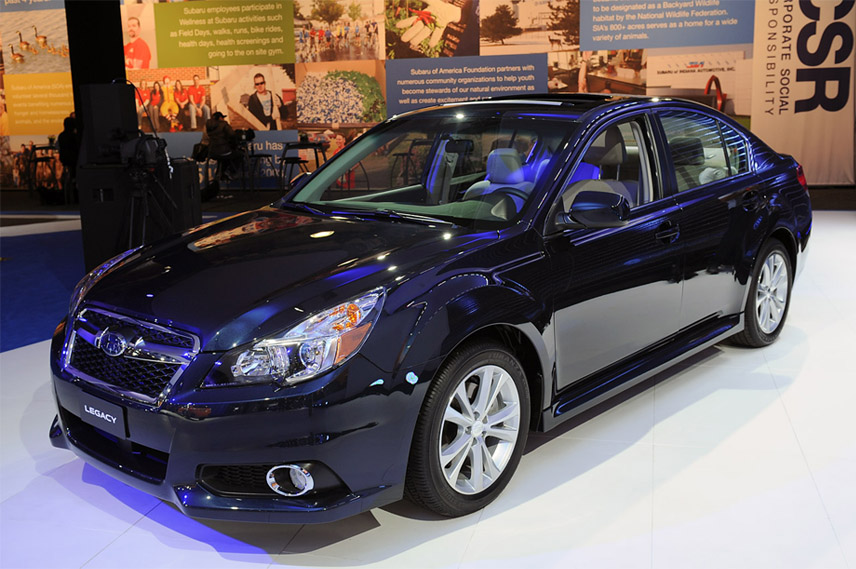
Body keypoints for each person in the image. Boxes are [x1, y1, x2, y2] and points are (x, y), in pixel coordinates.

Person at [203, 111, 240, 180]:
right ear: (220, 118)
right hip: (224, 151)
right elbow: (232, 135)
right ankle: (231, 172)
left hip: (212, 152)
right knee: (238, 155)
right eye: (223, 117)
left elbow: (205, 139)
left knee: (223, 158)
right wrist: (234, 145)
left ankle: (220, 174)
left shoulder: (207, 125)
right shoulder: (224, 124)